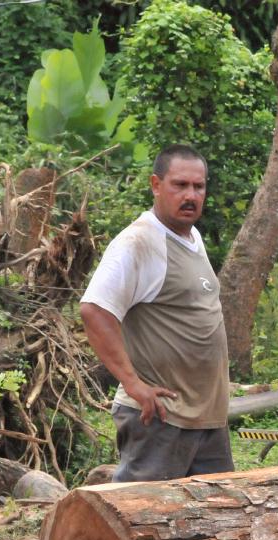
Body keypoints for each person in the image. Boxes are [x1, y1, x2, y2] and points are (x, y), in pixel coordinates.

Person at [80, 144, 234, 482]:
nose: (191, 195)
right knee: (141, 524)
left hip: (206, 419)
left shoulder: (192, 236)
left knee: (217, 524)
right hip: (162, 418)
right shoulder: (139, 242)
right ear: (155, 184)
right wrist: (133, 384)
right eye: (180, 185)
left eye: (199, 186)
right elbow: (94, 310)